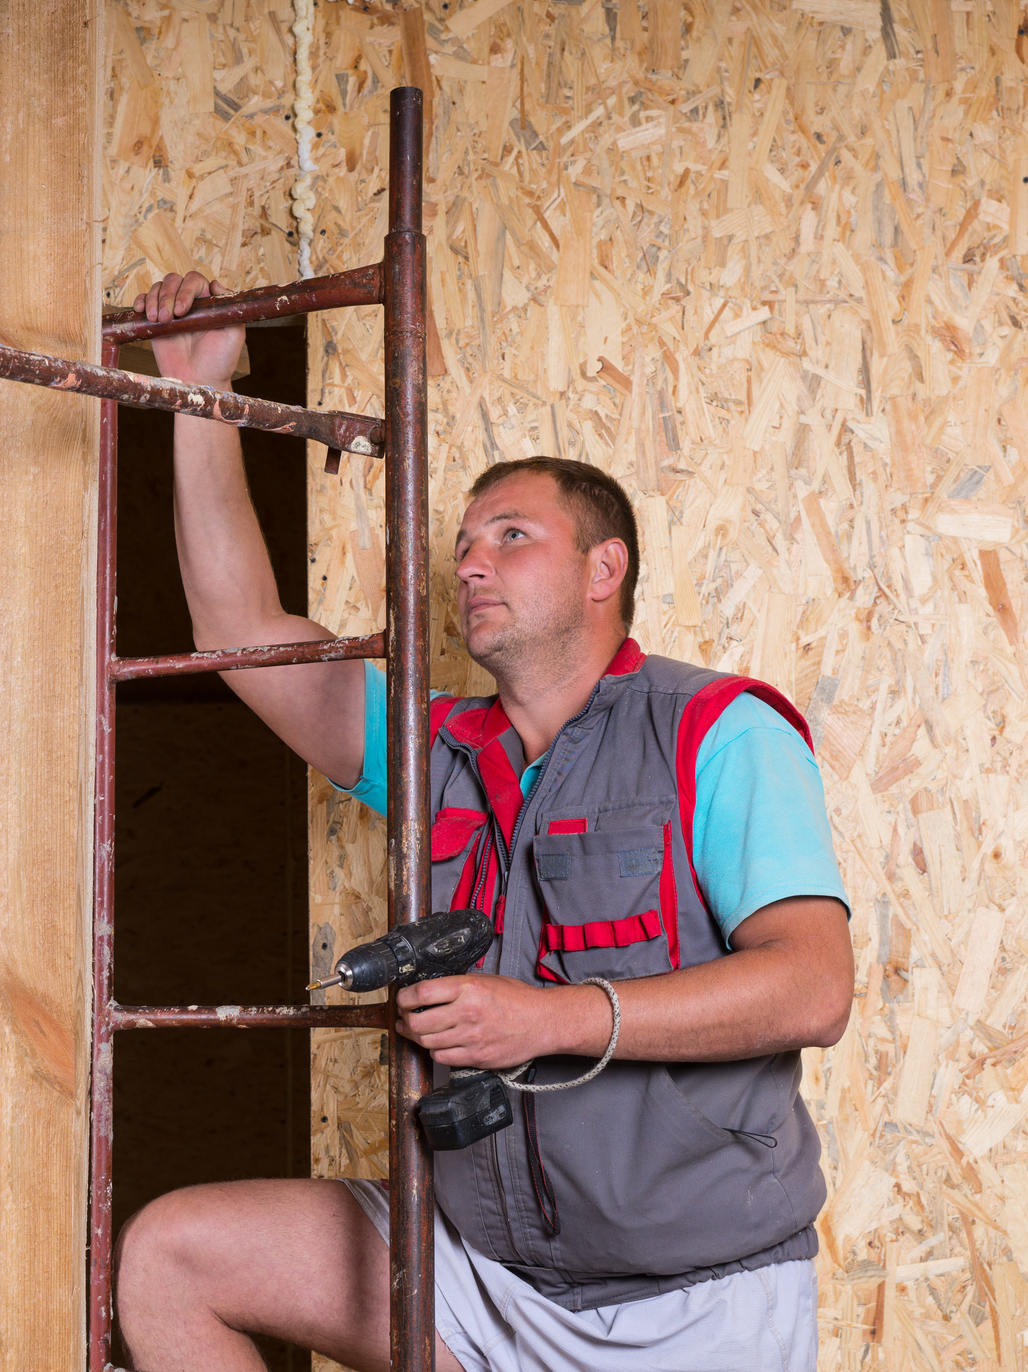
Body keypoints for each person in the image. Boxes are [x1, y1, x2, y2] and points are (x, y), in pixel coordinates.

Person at [114, 272, 854, 1372]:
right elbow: (239, 630)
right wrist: (199, 398)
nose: (469, 561)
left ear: (607, 569)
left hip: (702, 1302)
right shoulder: (433, 749)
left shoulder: (718, 733)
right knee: (171, 1255)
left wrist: (545, 1019)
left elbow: (813, 987)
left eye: (512, 535)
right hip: (483, 1268)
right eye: (464, 541)